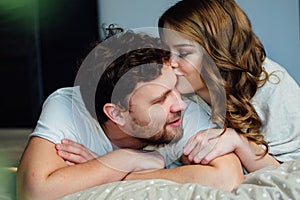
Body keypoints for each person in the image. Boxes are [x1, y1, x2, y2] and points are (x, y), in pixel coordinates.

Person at [17, 31, 244, 200]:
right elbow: (34, 191)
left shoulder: (182, 113)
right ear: (116, 114)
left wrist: (117, 172)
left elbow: (227, 178)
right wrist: (127, 160)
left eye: (175, 88)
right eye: (159, 100)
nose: (179, 104)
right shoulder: (67, 106)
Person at [158, 0, 300, 173]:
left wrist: (238, 142)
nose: (170, 62)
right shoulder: (175, 94)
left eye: (183, 53)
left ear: (216, 51)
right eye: (166, 51)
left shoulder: (270, 84)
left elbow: (289, 175)